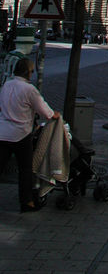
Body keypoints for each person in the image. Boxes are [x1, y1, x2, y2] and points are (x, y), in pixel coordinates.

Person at [0, 57, 59, 212]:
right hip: (21, 134)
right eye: (31, 71)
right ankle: (26, 202)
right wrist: (53, 114)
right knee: (25, 169)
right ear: (28, 72)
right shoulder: (29, 89)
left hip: (3, 132)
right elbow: (44, 110)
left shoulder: (6, 85)